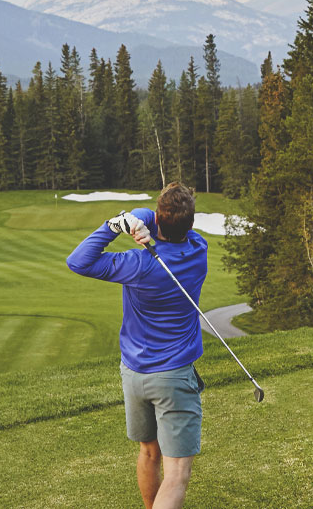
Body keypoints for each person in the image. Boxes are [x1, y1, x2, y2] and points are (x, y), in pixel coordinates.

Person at [66, 183, 208, 509]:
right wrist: (143, 222)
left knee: (148, 452)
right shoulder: (199, 250)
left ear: (157, 220)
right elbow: (170, 225)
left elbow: (78, 261)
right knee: (177, 474)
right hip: (173, 377)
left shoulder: (137, 263)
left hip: (134, 375)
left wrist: (121, 222)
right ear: (189, 223)